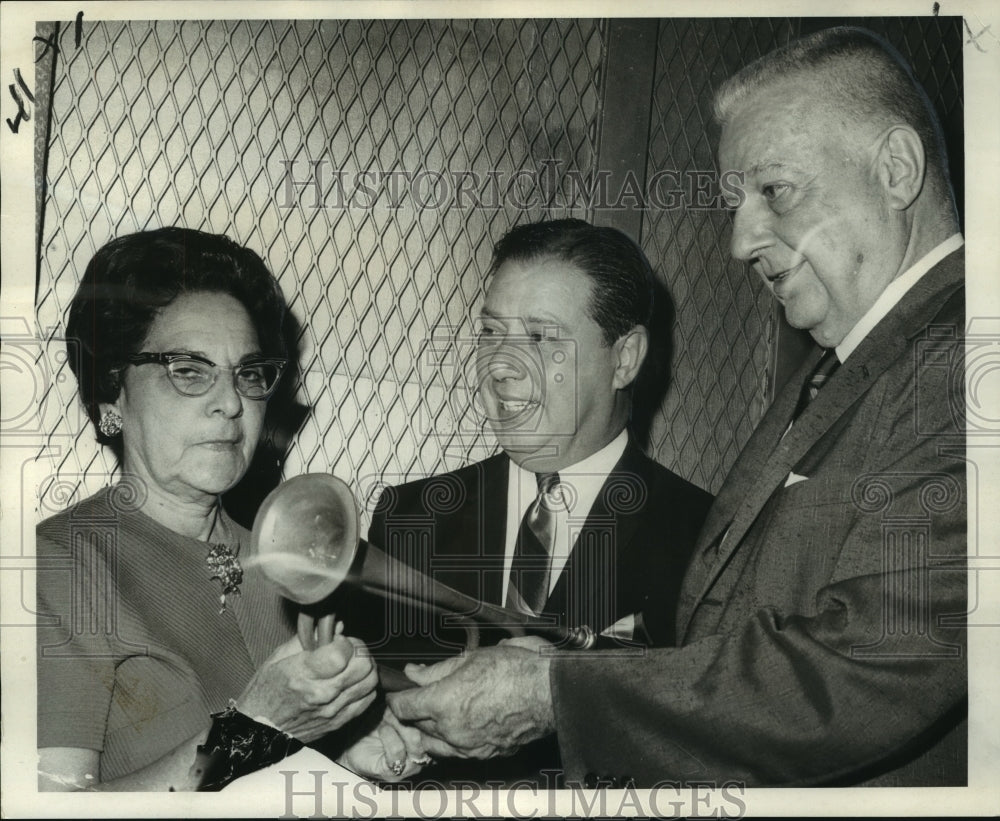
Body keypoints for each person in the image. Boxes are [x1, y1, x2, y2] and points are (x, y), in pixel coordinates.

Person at [386, 27, 967, 787]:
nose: (740, 240)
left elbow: (871, 665)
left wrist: (555, 692)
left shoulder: (965, 356)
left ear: (895, 169)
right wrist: (573, 668)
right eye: (735, 202)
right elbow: (735, 642)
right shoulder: (843, 366)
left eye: (774, 191)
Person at [35, 227, 404, 790]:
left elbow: (274, 774)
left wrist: (352, 752)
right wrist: (257, 730)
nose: (231, 403)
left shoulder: (288, 557)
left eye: (249, 374)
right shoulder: (59, 564)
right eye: (188, 370)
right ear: (112, 395)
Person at [343, 218, 712, 782]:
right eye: (492, 334)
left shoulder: (709, 534)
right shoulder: (410, 515)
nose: (500, 368)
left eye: (541, 338)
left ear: (625, 358)